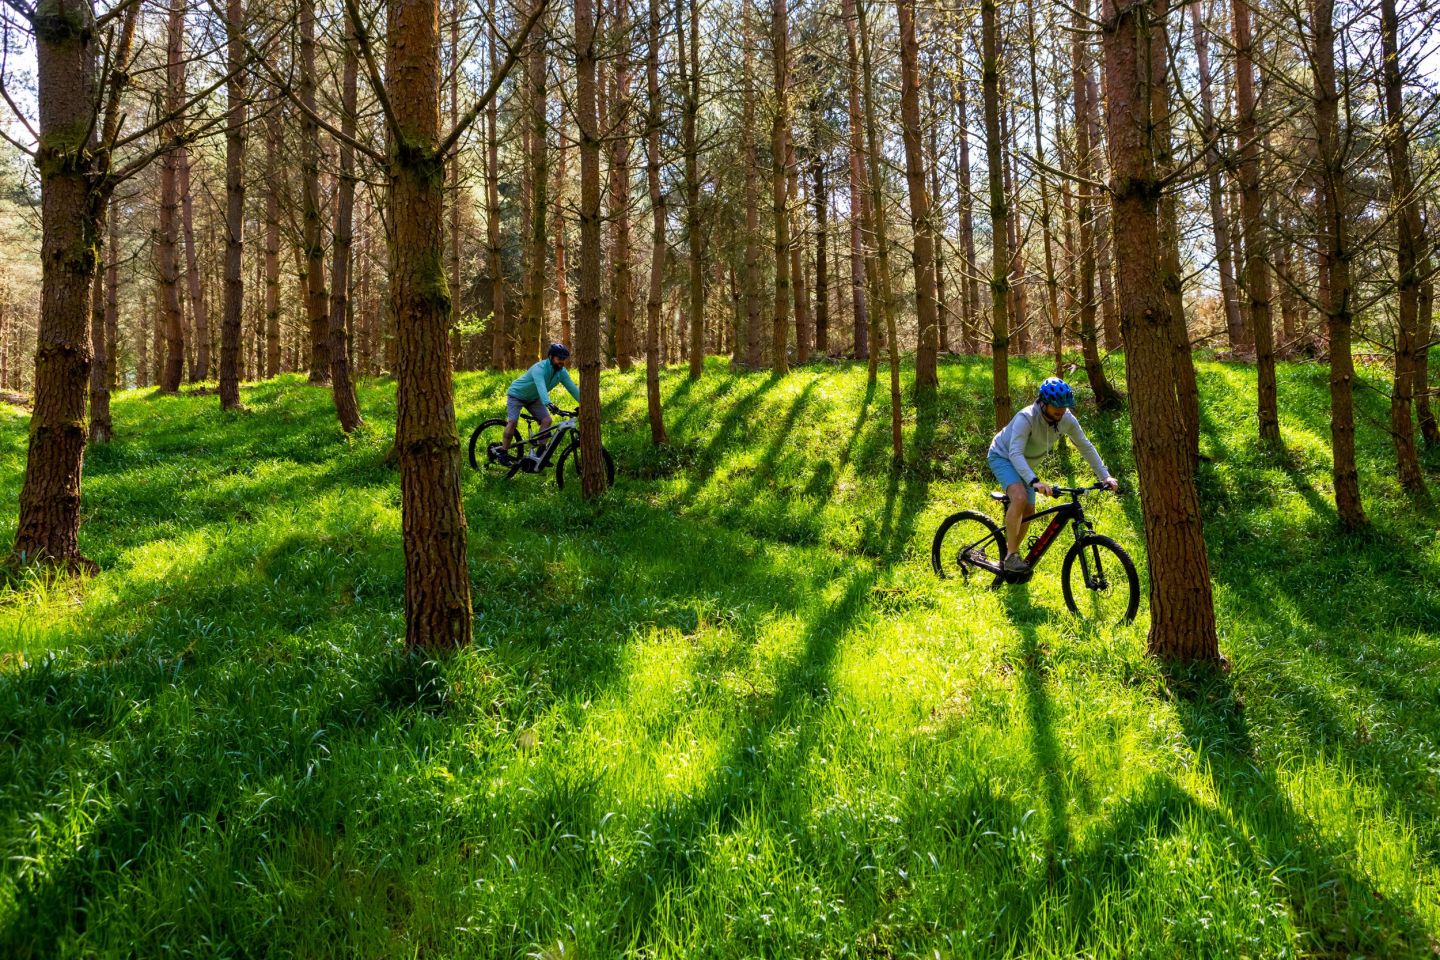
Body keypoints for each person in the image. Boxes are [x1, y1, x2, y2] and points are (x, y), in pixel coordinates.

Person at [987, 377, 1119, 574]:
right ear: (1043, 403)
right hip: (1003, 456)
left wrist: (1105, 476)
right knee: (1021, 497)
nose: (1061, 411)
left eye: (1065, 407)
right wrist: (1034, 481)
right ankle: (1012, 556)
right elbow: (1014, 453)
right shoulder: (1027, 418)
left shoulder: (1066, 419)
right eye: (1056, 406)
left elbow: (1085, 446)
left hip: (1026, 465)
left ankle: (1009, 553)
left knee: (1030, 510)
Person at [502, 343, 581, 465]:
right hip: (517, 395)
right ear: (551, 357)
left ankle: (540, 454)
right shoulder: (539, 368)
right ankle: (503, 452)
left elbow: (572, 388)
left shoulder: (562, 372)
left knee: (547, 420)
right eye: (559, 359)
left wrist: (585, 404)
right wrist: (548, 403)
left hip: (534, 398)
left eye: (563, 359)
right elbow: (541, 386)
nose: (562, 362)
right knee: (512, 422)